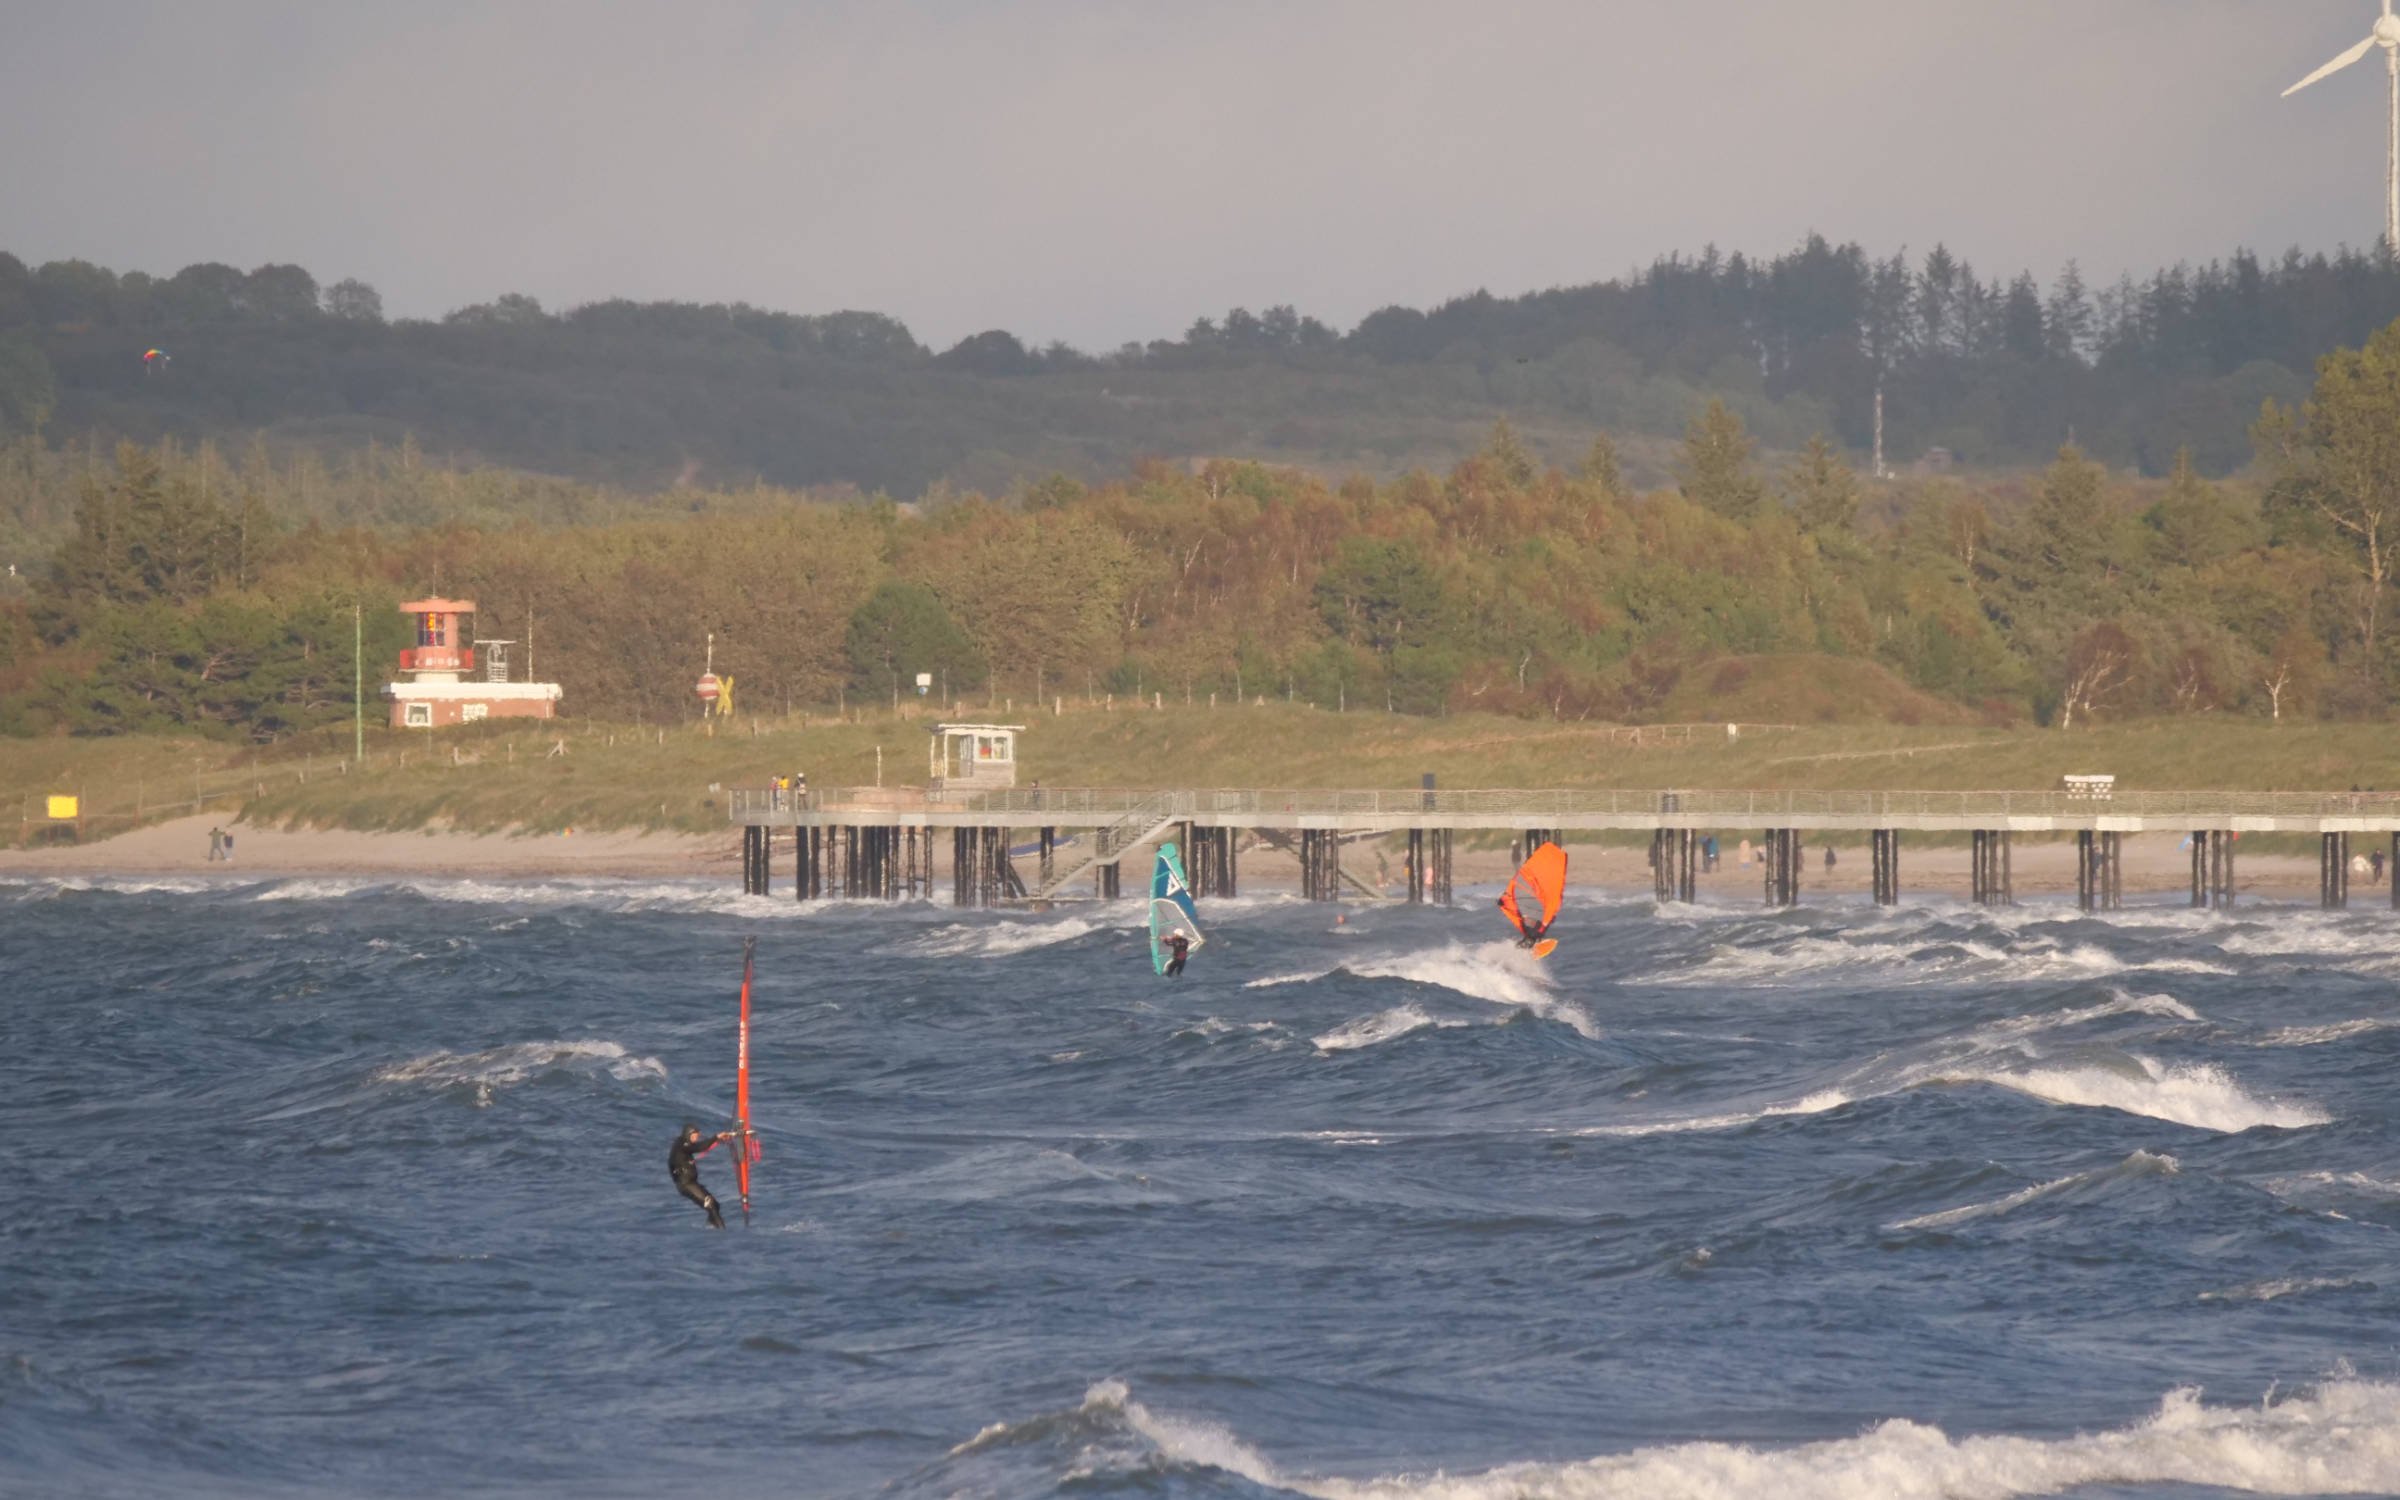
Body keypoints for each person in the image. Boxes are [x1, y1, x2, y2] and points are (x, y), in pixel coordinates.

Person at [669, 1121, 734, 1229]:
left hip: (691, 1182)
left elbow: (698, 1146)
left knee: (716, 1205)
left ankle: (712, 1228)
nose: (697, 1138)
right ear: (688, 1134)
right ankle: (723, 1232)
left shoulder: (684, 1144)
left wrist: (718, 1139)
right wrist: (716, 1137)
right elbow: (699, 1147)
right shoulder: (681, 1144)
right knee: (711, 1205)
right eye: (695, 1135)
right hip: (686, 1184)